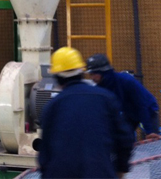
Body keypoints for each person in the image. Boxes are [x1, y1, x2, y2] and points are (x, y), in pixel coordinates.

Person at [38, 47, 133, 179]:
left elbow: (44, 155)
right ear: (82, 72)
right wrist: (121, 168)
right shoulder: (106, 98)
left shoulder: (52, 106)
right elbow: (125, 139)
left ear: (57, 78)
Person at [86, 53, 160, 140]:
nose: (92, 77)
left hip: (148, 108)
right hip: (129, 112)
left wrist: (149, 131)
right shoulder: (101, 87)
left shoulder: (126, 81)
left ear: (103, 72)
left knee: (152, 139)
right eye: (90, 74)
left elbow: (141, 105)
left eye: (94, 74)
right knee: (123, 138)